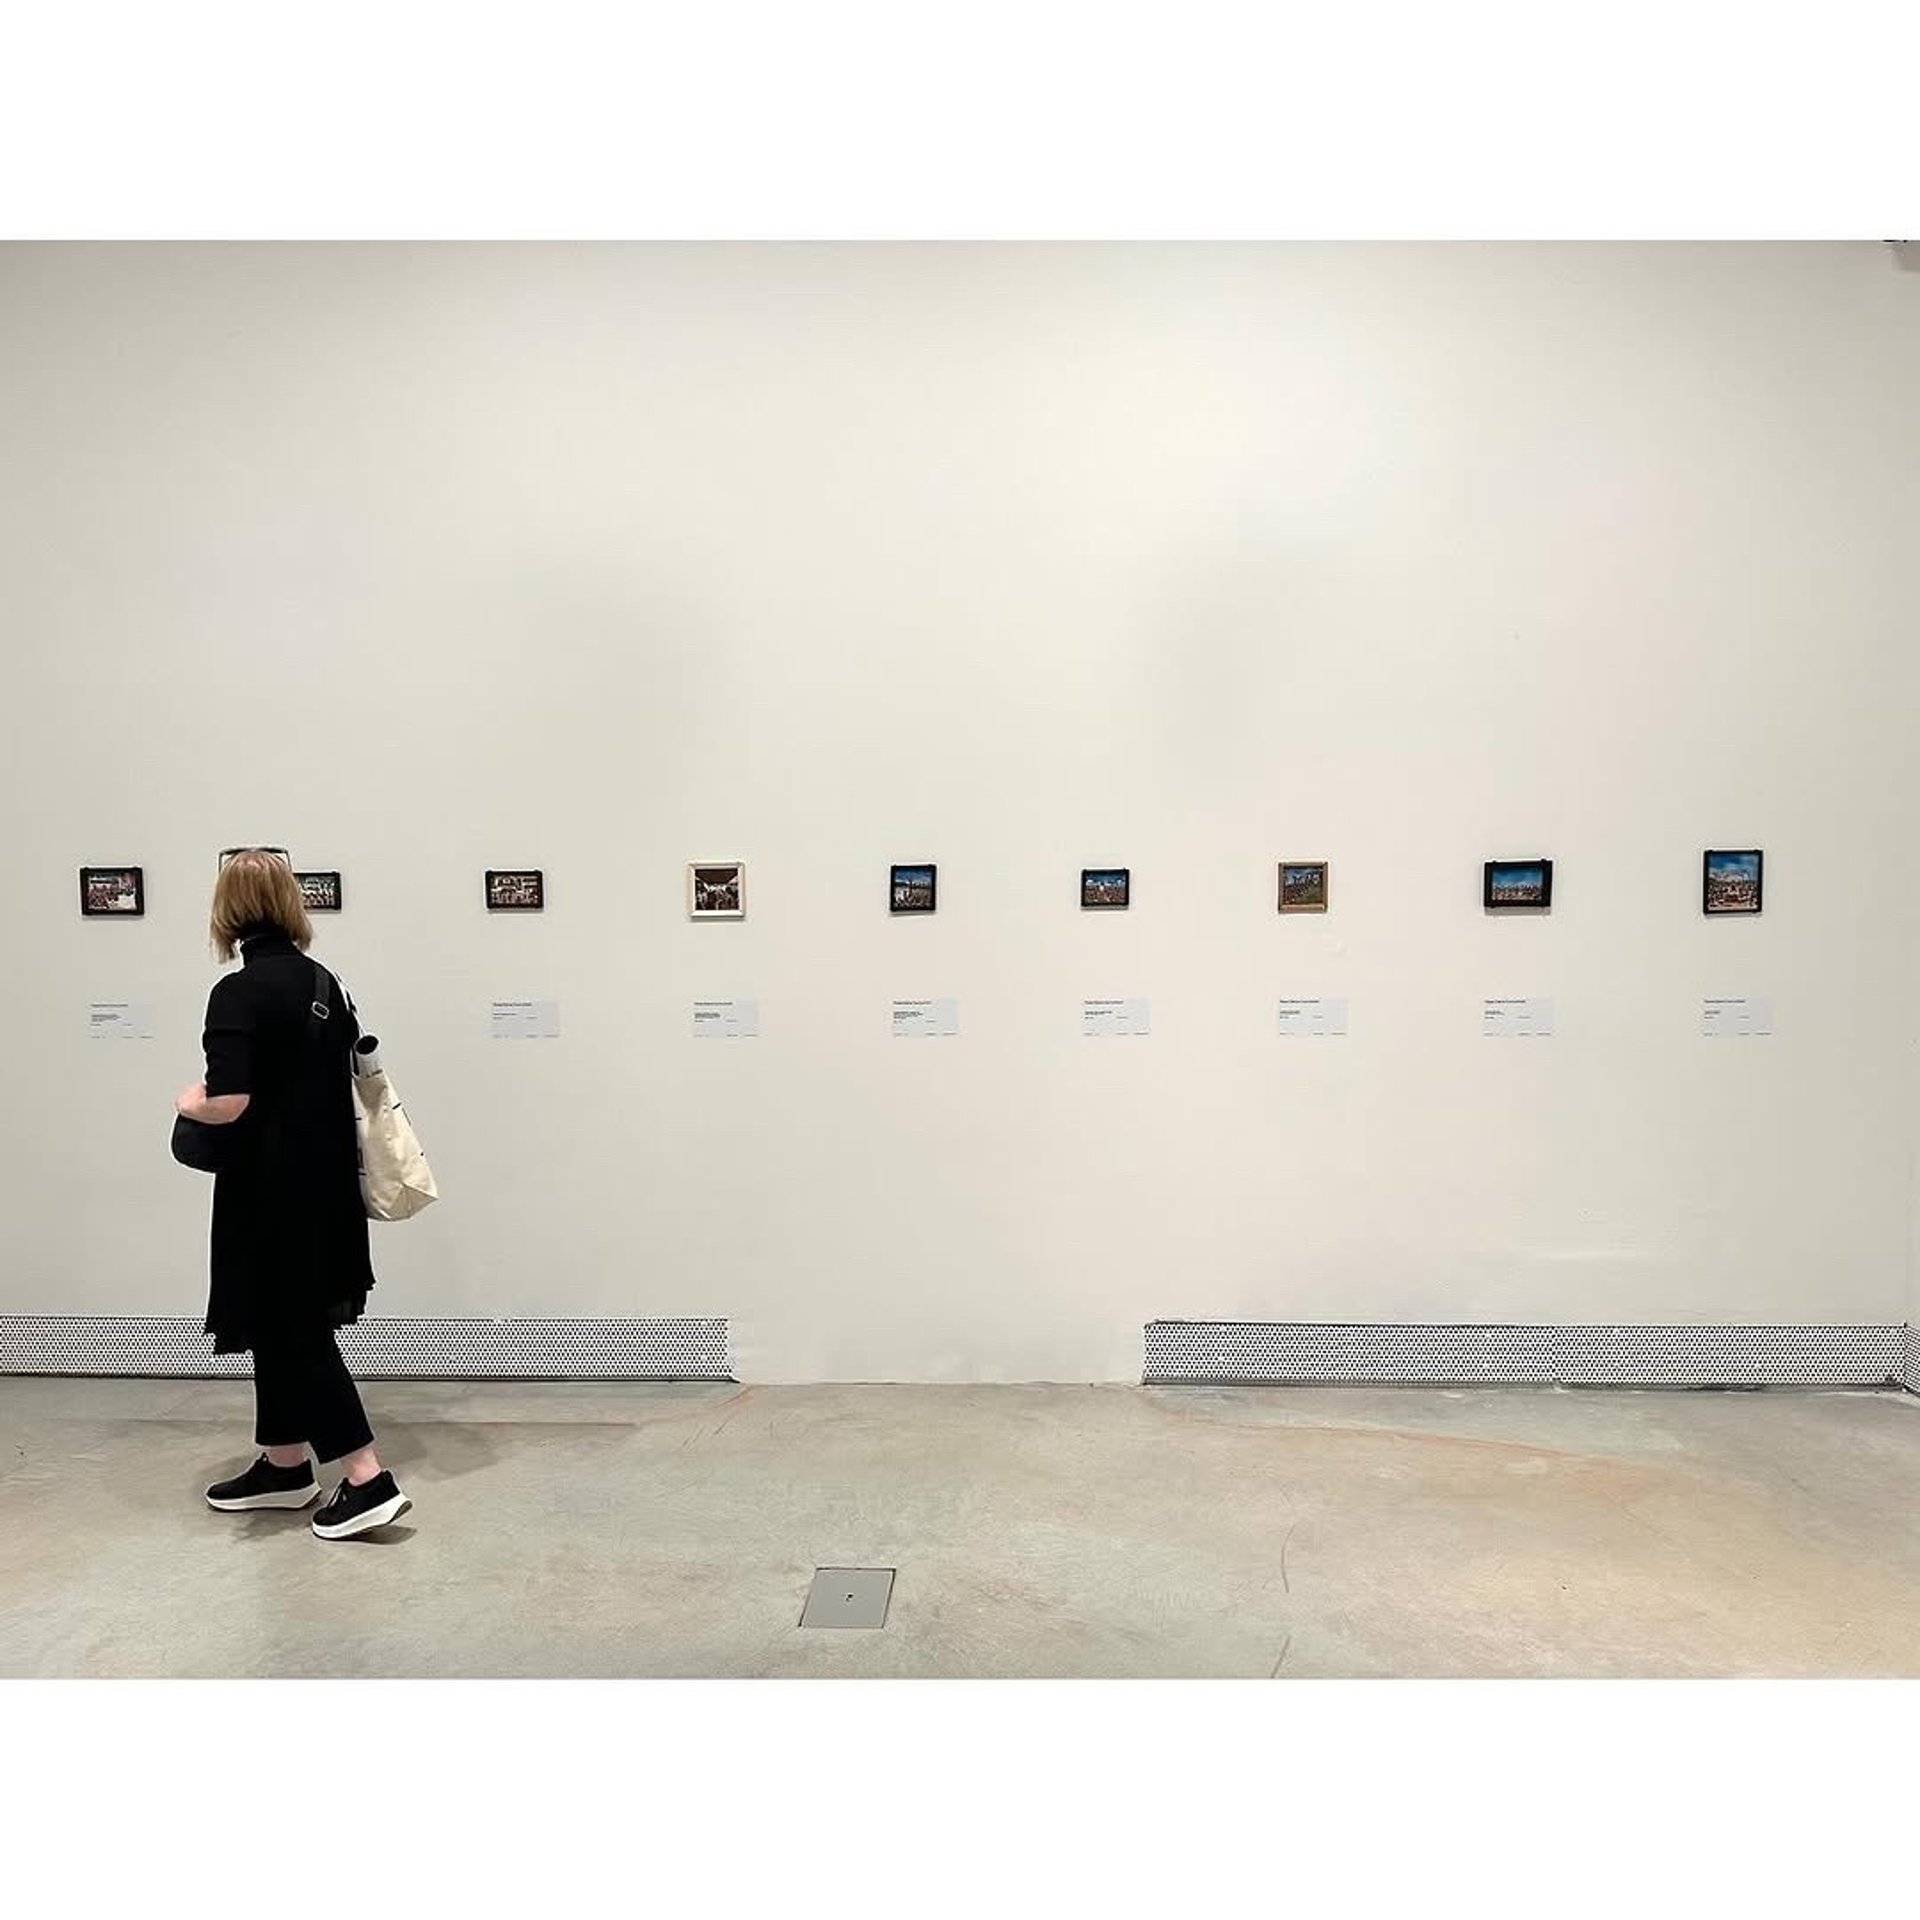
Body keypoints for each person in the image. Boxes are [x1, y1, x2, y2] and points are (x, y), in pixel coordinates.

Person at [180, 848, 412, 1540]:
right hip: (328, 1187)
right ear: (291, 904)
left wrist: (189, 1102)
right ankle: (284, 1464)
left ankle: (368, 1479)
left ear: (225, 910)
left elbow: (230, 1101)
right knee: (279, 1326)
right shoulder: (326, 982)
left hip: (269, 1194)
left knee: (295, 1332)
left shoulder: (238, 992)